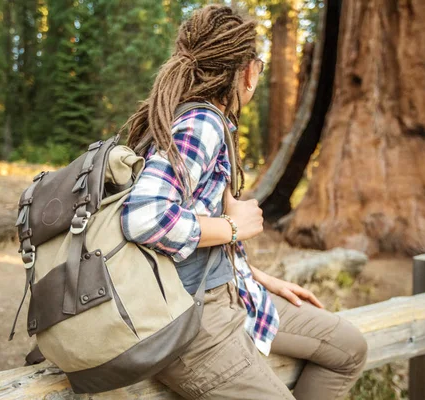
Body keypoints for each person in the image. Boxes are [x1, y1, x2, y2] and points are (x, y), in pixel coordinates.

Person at [119, 4, 367, 399]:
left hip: (224, 292)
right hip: (187, 316)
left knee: (349, 348)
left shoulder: (181, 118)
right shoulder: (201, 123)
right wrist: (236, 227)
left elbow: (190, 218)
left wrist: (259, 278)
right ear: (249, 71)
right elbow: (146, 219)